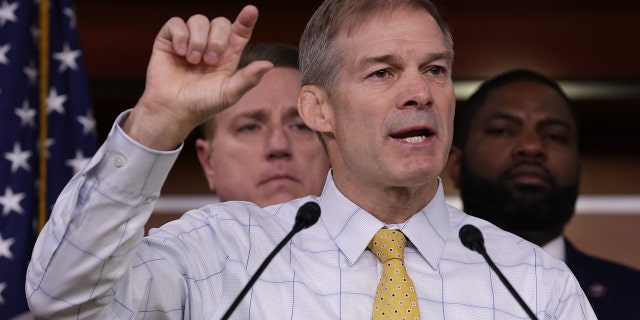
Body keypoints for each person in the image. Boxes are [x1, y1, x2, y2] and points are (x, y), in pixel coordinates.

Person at [26, 1, 596, 319]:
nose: (419, 92)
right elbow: (64, 299)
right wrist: (155, 119)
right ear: (318, 109)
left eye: (435, 69)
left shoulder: (534, 284)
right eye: (383, 72)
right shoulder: (223, 253)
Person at [447, 69, 640, 320]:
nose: (532, 146)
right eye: (502, 130)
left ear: (578, 170)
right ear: (456, 165)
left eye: (555, 136)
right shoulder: (407, 286)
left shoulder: (632, 296)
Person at [194, 42, 330, 207]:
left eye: (300, 126)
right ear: (208, 162)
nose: (278, 145)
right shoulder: (178, 234)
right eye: (250, 128)